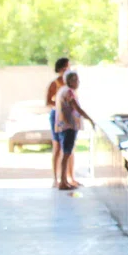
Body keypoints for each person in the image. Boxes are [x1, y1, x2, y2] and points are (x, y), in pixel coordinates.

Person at [54, 71, 95, 190]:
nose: (78, 83)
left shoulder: (62, 90)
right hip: (68, 126)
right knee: (66, 154)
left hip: (63, 125)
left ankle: (65, 180)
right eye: (76, 80)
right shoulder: (69, 92)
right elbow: (77, 108)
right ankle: (63, 181)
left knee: (66, 153)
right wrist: (90, 119)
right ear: (70, 81)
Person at [46, 57, 71, 188]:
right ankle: (56, 178)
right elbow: (48, 102)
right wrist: (59, 105)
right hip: (57, 116)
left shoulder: (71, 85)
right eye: (67, 67)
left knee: (69, 148)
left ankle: (69, 177)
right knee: (57, 147)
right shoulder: (55, 84)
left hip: (69, 116)